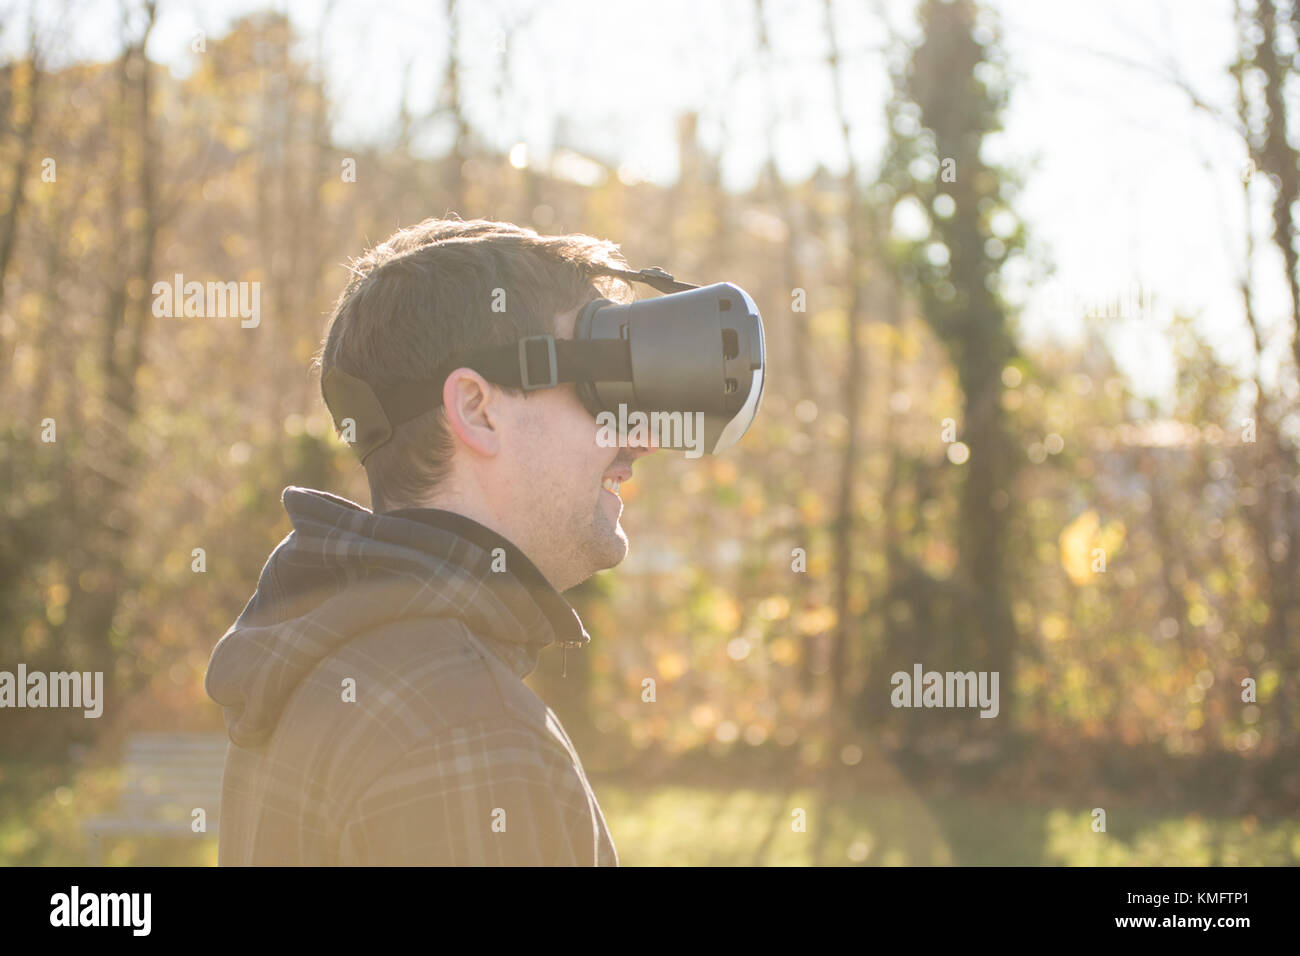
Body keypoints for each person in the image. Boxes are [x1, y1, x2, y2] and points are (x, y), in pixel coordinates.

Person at [204, 218, 658, 865]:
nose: (639, 438)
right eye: (600, 379)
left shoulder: (323, 663)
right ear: (477, 409)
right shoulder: (468, 731)